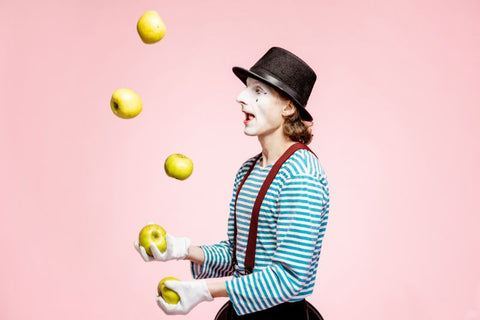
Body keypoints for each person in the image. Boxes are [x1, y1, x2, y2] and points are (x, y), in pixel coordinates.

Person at [135, 47, 330, 319]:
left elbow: (289, 278)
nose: (241, 98)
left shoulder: (300, 174)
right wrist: (181, 250)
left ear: (288, 107)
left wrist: (204, 290)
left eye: (258, 92)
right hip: (239, 312)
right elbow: (241, 259)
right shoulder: (248, 170)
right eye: (246, 89)